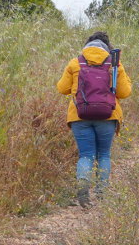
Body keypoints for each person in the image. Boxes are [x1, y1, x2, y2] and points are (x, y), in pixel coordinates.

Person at [56, 31, 132, 208]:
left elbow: (62, 88)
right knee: (103, 154)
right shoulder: (115, 64)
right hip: (108, 115)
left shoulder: (76, 63)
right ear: (107, 47)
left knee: (86, 155)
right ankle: (102, 193)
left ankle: (83, 183)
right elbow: (124, 93)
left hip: (79, 115)